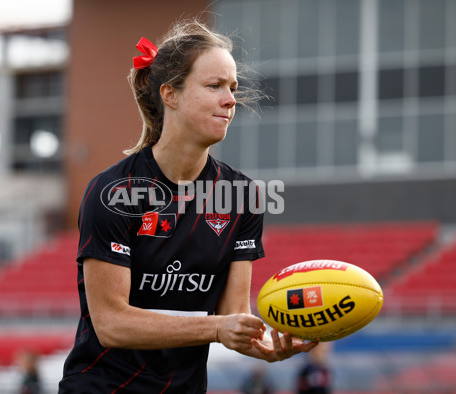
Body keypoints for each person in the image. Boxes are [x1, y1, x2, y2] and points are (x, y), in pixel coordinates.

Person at [58, 18, 317, 393]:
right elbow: (112, 324)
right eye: (214, 86)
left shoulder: (241, 195)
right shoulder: (113, 191)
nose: (230, 100)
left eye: (233, 87)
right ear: (170, 94)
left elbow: (233, 315)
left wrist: (263, 342)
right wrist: (216, 328)